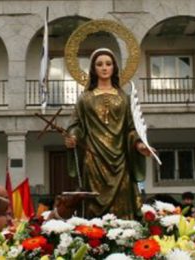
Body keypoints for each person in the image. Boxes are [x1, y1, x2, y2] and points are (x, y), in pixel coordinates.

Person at [64, 48, 152, 219]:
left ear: (114, 68)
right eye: (99, 64)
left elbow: (131, 127)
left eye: (108, 64)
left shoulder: (123, 98)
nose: (104, 68)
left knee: (124, 200)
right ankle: (94, 237)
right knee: (93, 200)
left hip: (120, 159)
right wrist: (73, 136)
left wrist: (139, 144)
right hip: (94, 158)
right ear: (93, 69)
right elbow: (77, 124)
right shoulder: (85, 98)